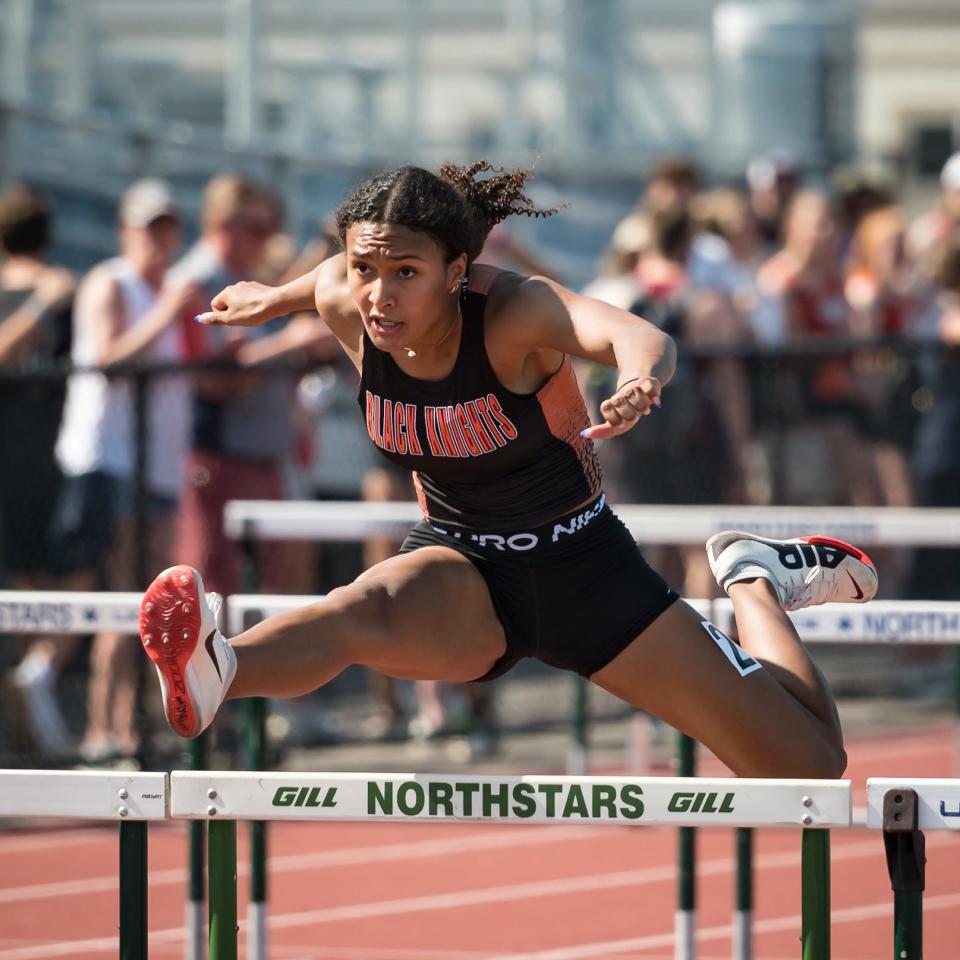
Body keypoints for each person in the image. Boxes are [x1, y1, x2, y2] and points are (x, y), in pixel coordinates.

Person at [138, 162, 877, 778]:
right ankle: (219, 668)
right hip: (461, 565)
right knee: (364, 612)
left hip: (587, 572)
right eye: (367, 270)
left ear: (457, 270)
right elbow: (330, 276)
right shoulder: (345, 293)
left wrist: (638, 379)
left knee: (807, 771)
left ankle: (752, 578)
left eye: (406, 273)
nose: (380, 296)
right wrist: (274, 299)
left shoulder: (513, 313)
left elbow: (638, 334)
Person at [53, 178, 197, 761]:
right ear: (126, 232)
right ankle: (103, 727)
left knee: (148, 602)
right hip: (111, 463)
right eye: (148, 229)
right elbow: (107, 360)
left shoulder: (169, 293)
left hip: (158, 468)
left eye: (167, 229)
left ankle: (129, 726)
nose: (159, 242)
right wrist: (166, 310)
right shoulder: (110, 282)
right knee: (123, 599)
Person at [0, 184, 77, 756]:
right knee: (49, 579)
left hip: (52, 454)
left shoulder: (66, 293)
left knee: (52, 578)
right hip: (27, 457)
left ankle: (33, 687)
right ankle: (30, 689)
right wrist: (41, 304)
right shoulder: (51, 295)